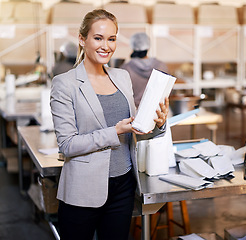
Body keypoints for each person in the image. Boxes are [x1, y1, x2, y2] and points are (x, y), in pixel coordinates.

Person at [50, 9, 169, 240]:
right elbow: (67, 144)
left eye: (112, 39)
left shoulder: (122, 76)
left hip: (123, 187)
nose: (106, 45)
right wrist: (114, 131)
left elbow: (134, 131)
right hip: (82, 191)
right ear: (82, 39)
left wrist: (157, 125)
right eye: (98, 38)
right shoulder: (65, 84)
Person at [121, 32, 168, 108]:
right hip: (158, 111)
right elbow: (168, 92)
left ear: (132, 46)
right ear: (148, 47)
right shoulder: (161, 66)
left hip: (136, 112)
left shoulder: (125, 69)